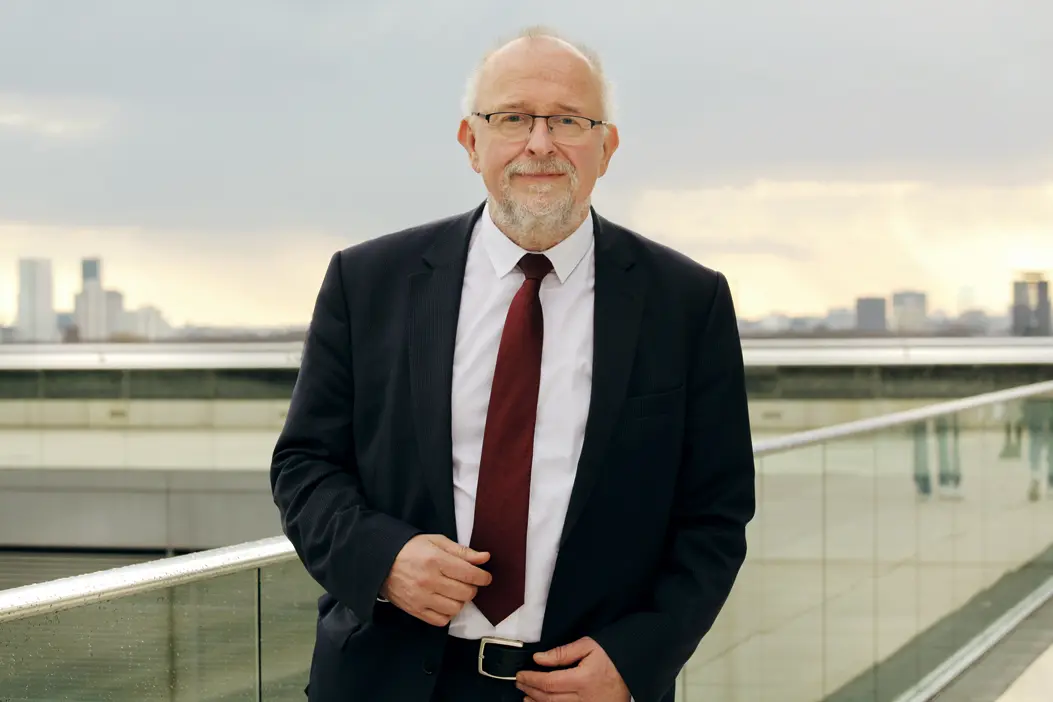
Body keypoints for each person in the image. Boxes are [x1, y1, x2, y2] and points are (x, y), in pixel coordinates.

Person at [270, 26, 756, 702]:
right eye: (512, 118)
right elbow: (304, 465)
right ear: (471, 142)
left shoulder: (686, 302)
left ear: (605, 148)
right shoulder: (368, 281)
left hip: (582, 688)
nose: (539, 143)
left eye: (567, 120)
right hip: (385, 678)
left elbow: (715, 511)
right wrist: (382, 559)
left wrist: (638, 658)